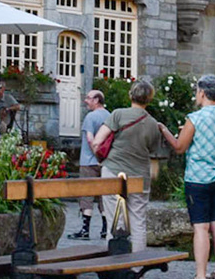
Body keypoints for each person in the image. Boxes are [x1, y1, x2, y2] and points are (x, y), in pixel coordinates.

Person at [164, 76, 215, 279]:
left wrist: (164, 131)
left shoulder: (194, 119)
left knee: (201, 228)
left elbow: (179, 147)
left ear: (202, 93)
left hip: (198, 178)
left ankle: (201, 276)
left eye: (197, 91)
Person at [98, 78, 175, 249]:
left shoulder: (117, 114)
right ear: (150, 99)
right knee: (138, 222)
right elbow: (153, 155)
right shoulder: (153, 124)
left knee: (113, 219)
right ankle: (136, 269)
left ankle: (115, 265)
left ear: (130, 95)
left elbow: (98, 141)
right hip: (140, 175)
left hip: (113, 169)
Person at [72, 89, 111, 240]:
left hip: (89, 161)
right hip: (105, 162)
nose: (86, 101)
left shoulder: (90, 117)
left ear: (96, 100)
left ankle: (85, 229)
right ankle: (105, 229)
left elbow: (90, 138)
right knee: (104, 195)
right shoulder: (109, 116)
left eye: (88, 98)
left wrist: (96, 153)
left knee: (86, 195)